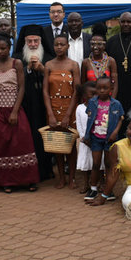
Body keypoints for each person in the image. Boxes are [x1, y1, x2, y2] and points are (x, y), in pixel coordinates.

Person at [0, 34, 40, 192]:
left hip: (14, 108)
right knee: (1, 146)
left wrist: (15, 110)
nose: (0, 51)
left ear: (9, 48)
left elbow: (21, 87)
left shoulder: (17, 63)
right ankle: (5, 182)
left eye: (3, 48)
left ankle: (29, 180)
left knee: (21, 143)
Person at [13, 24, 53, 180]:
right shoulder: (17, 58)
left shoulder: (49, 58)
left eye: (36, 41)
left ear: (41, 41)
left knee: (44, 137)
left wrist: (43, 69)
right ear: (24, 42)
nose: (33, 45)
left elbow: (55, 78)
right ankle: (30, 171)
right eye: (29, 42)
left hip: (45, 106)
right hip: (27, 105)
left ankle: (46, 170)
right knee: (29, 137)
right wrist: (27, 69)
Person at [43, 34, 80, 189]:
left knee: (70, 144)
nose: (59, 47)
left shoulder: (73, 65)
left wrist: (68, 114)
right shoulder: (49, 65)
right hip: (53, 106)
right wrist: (50, 113)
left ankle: (71, 177)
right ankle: (61, 178)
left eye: (62, 44)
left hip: (69, 106)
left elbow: (77, 91)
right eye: (56, 44)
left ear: (68, 46)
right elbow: (45, 91)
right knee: (57, 144)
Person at [82, 76, 124, 201]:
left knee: (108, 164)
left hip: (109, 139)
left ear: (111, 88)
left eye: (105, 88)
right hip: (95, 138)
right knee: (95, 164)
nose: (102, 91)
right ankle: (93, 189)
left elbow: (121, 119)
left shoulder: (116, 104)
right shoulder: (93, 102)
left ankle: (107, 190)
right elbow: (89, 119)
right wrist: (87, 135)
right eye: (99, 88)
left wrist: (115, 132)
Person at [106, 12, 131, 114]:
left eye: (129, 22)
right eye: (123, 21)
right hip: (117, 84)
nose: (126, 24)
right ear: (119, 23)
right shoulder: (111, 41)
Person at [81, 23, 118, 98]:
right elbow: (83, 85)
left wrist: (111, 103)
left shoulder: (110, 61)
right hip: (90, 101)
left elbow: (115, 85)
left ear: (104, 46)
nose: (95, 47)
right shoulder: (86, 62)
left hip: (107, 101)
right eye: (92, 44)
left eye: (99, 44)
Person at [75, 81, 99, 195]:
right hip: (86, 141)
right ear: (84, 96)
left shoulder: (100, 107)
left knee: (99, 162)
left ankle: (100, 182)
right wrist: (83, 138)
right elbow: (79, 125)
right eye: (91, 94)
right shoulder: (80, 108)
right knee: (86, 164)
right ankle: (86, 183)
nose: (94, 96)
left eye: (96, 94)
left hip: (98, 140)